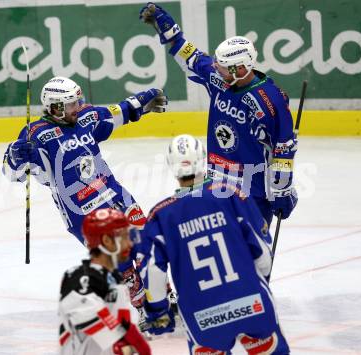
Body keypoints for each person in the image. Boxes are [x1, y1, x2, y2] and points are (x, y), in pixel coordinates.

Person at [2, 76, 167, 308]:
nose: (78, 107)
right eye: (72, 104)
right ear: (55, 107)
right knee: (124, 265)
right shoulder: (36, 135)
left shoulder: (85, 117)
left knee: (147, 245)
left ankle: (165, 296)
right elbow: (13, 174)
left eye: (79, 101)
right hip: (83, 213)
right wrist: (14, 158)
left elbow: (117, 112)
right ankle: (145, 309)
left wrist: (140, 103)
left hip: (115, 195)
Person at [139, 3, 298, 226]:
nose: (215, 68)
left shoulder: (271, 100)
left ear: (240, 69)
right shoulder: (220, 79)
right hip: (217, 186)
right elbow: (193, 58)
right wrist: (172, 33)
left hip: (254, 193)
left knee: (252, 254)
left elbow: (284, 147)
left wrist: (282, 189)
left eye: (221, 66)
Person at [140, 134, 289, 354]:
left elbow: (153, 270)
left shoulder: (160, 216)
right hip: (251, 302)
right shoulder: (231, 193)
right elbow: (263, 254)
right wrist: (259, 282)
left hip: (202, 315)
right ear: (203, 158)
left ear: (171, 166)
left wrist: (158, 312)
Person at [58, 208, 151, 355]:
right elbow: (107, 337)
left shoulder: (114, 282)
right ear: (107, 241)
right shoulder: (77, 281)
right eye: (123, 237)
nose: (129, 243)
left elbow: (122, 328)